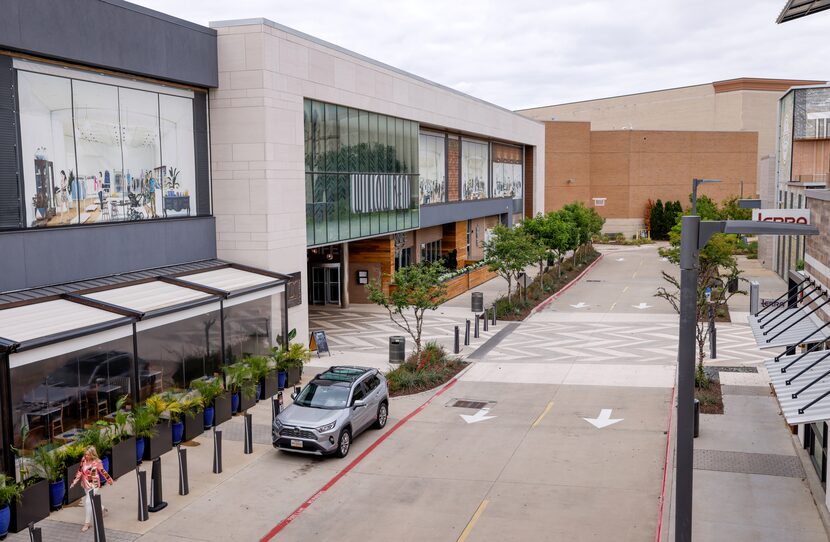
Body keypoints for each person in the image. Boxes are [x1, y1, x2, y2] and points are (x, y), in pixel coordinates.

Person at [69, 446, 113, 532]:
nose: (86, 456)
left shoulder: (97, 462)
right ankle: (102, 509)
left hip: (94, 485)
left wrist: (109, 479)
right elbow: (80, 471)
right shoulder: (83, 460)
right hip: (85, 484)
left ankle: (87, 523)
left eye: (88, 455)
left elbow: (102, 471)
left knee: (88, 502)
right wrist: (74, 482)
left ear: (92, 454)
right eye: (85, 454)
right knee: (92, 500)